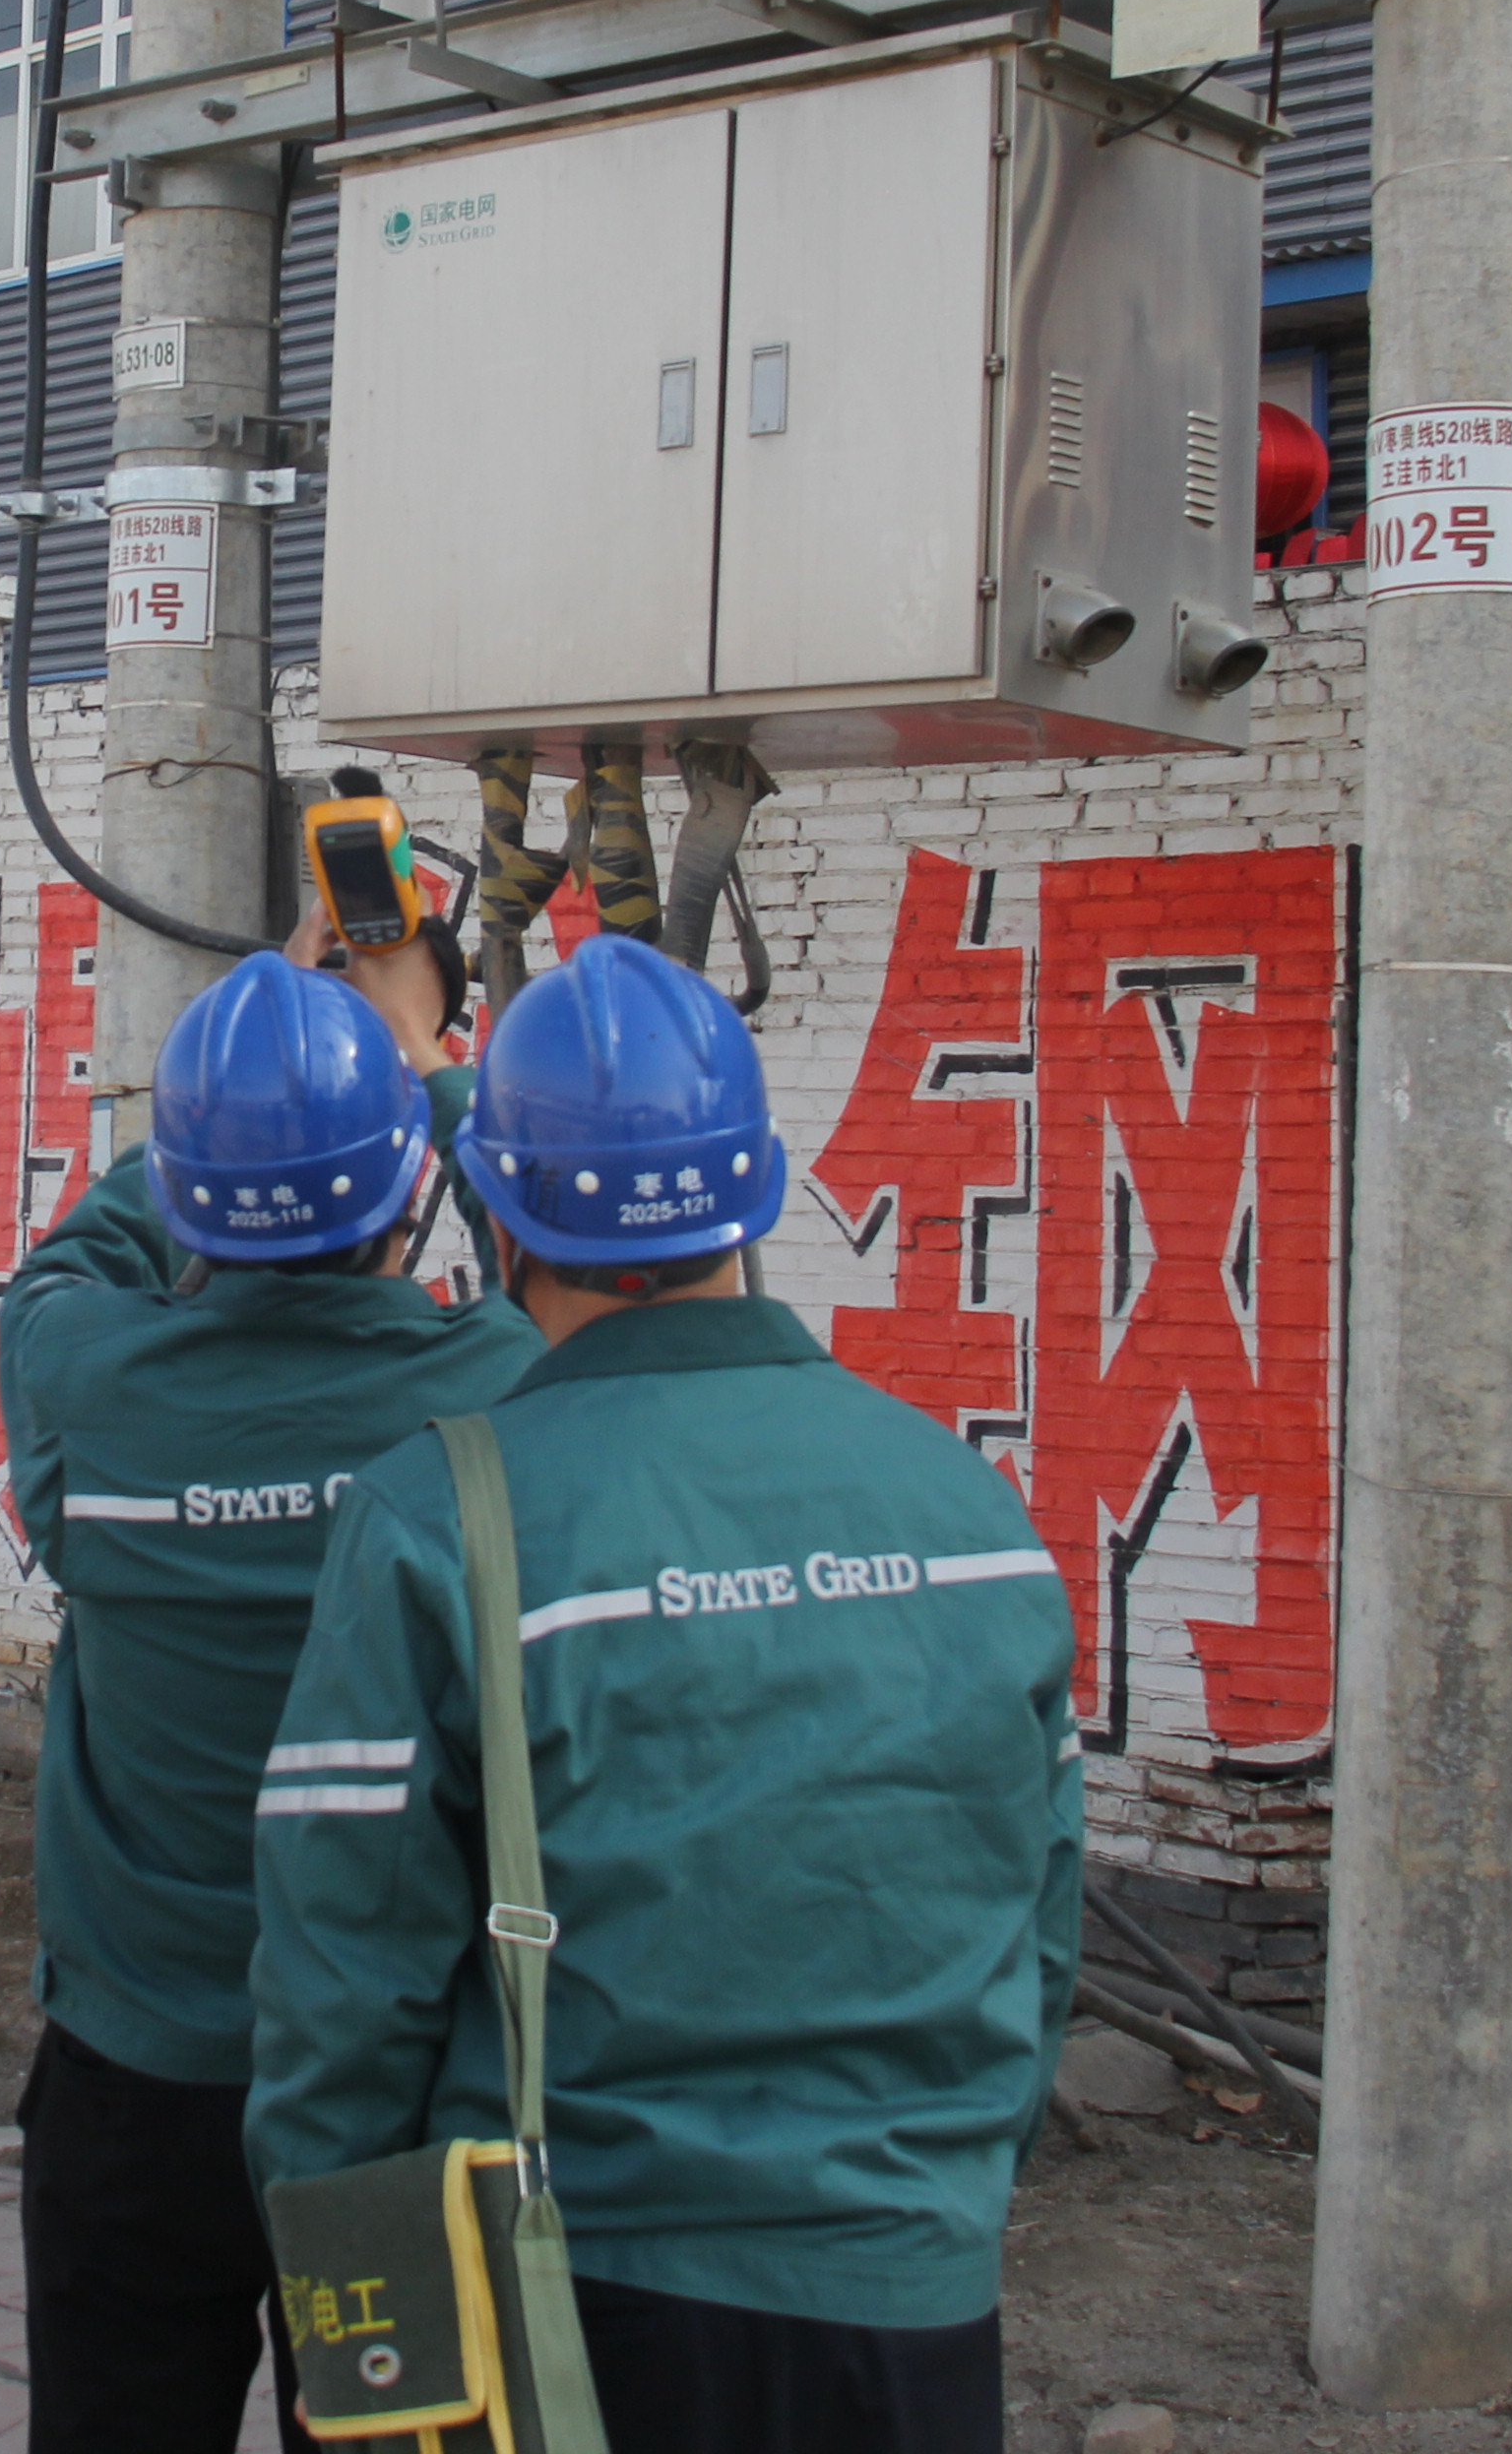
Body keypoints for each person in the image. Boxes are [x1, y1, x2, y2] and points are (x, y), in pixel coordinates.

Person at [244, 933, 1081, 2454]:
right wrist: (936, 2191)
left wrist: (353, 2310)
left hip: (577, 2308)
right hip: (915, 2299)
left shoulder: (442, 1517)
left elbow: (344, 1978)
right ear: (754, 1194)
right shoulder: (970, 1508)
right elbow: (1040, 1915)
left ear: (501, 1215)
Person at [0, 915, 540, 2454]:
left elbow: (79, 1258)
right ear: (404, 1191)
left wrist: (243, 1087)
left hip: (134, 2076)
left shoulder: (85, 1385)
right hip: (387, 2090)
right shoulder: (494, 1393)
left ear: (189, 1195)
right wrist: (415, 1055)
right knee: (384, 2436)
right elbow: (539, 1256)